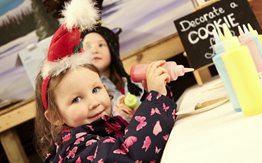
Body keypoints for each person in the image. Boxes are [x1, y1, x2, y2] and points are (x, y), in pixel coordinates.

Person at [34, 0, 176, 162]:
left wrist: (151, 98)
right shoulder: (76, 147)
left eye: (95, 89)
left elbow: (137, 139)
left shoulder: (105, 125)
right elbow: (130, 156)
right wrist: (156, 99)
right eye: (76, 99)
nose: (94, 102)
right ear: (55, 116)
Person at [81, 26, 143, 121]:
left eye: (101, 45)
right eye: (88, 47)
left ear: (112, 49)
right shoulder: (84, 93)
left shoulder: (133, 83)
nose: (94, 50)